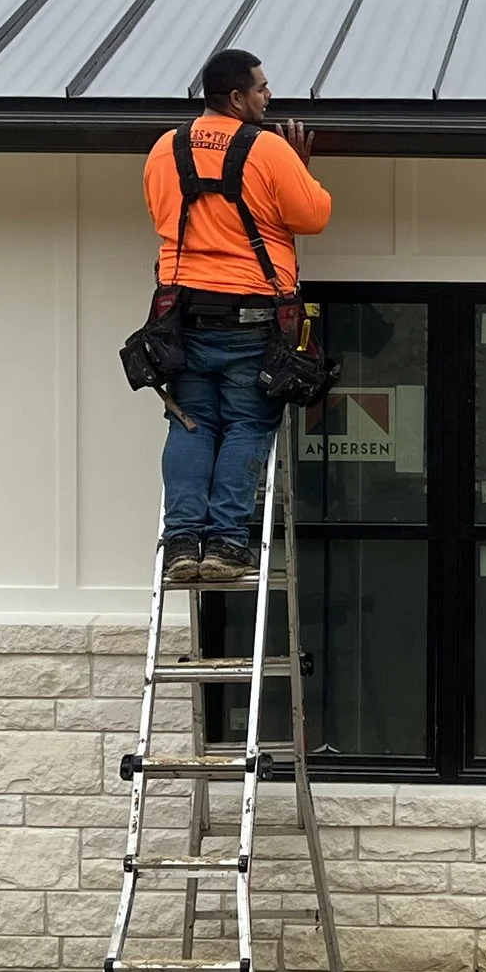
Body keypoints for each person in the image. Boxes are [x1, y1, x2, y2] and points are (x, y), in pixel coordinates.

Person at [144, 48, 331, 584]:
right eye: (262, 88)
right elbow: (314, 216)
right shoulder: (267, 151)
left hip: (182, 318)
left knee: (191, 422)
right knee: (247, 424)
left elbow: (161, 213)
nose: (269, 96)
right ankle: (226, 545)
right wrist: (296, 169)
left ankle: (182, 543)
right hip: (251, 319)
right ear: (236, 97)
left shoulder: (165, 149)